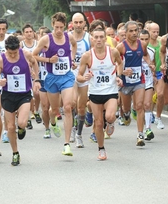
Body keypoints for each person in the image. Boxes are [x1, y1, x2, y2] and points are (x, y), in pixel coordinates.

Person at [32, 12, 77, 156]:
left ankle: (67, 144)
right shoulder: (46, 39)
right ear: (52, 25)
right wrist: (49, 60)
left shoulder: (68, 37)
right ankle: (52, 121)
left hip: (67, 76)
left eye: (61, 27)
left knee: (68, 107)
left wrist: (72, 59)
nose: (58, 31)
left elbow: (74, 45)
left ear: (64, 26)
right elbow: (33, 55)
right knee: (54, 109)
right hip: (51, 77)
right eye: (56, 27)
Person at [76, 28, 123, 160]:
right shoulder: (87, 56)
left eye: (101, 37)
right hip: (95, 92)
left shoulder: (113, 52)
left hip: (111, 90)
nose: (98, 40)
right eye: (96, 37)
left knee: (109, 116)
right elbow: (79, 76)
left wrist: (119, 76)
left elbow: (120, 63)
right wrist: (84, 77)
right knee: (98, 123)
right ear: (92, 39)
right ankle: (101, 149)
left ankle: (111, 122)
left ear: (105, 38)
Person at [0, 35, 40, 166]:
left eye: (15, 53)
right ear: (6, 49)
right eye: (10, 53)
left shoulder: (26, 54)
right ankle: (15, 153)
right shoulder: (1, 60)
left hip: (24, 94)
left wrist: (36, 79)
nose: (13, 55)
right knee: (10, 127)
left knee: (22, 122)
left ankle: (22, 128)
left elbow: (35, 63)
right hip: (8, 95)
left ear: (19, 48)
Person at [116, 21, 153, 147]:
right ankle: (126, 115)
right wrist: (122, 71)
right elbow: (114, 62)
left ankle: (140, 134)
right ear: (125, 33)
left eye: (135, 30)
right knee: (125, 108)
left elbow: (146, 55)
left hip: (139, 80)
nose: (133, 33)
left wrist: (150, 64)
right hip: (126, 82)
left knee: (139, 105)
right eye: (130, 31)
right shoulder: (121, 47)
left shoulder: (141, 44)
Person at [71, 12, 91, 148]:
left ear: (84, 23)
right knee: (72, 103)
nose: (78, 25)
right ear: (72, 23)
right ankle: (72, 128)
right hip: (70, 74)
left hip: (84, 74)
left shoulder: (89, 38)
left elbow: (95, 54)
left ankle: (79, 134)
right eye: (76, 22)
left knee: (81, 107)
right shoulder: (67, 37)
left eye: (80, 22)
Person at [21, 23, 41, 128]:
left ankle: (36, 111)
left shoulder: (38, 44)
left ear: (33, 32)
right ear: (23, 34)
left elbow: (39, 57)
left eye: (30, 31)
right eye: (27, 32)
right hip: (24, 74)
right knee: (27, 96)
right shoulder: (21, 45)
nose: (29, 34)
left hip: (37, 72)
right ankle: (27, 118)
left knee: (37, 94)